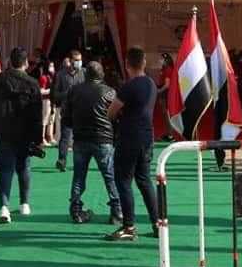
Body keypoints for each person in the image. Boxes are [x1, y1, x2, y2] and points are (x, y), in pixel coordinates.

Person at [0, 47, 44, 223]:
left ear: (10, 61)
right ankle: (24, 204)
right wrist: (38, 138)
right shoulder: (32, 83)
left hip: (3, 132)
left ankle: (4, 207)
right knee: (24, 168)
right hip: (25, 134)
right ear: (26, 63)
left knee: (6, 170)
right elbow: (37, 114)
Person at [105, 46, 160, 241]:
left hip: (129, 137)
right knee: (144, 181)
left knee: (123, 181)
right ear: (144, 63)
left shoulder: (129, 87)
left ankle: (129, 226)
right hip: (147, 136)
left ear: (127, 65)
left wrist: (120, 115)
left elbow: (111, 112)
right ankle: (157, 223)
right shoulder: (151, 84)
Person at [63, 61, 123, 224]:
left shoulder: (74, 90)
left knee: (79, 176)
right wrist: (115, 137)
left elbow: (66, 116)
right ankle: (117, 210)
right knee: (110, 175)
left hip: (81, 138)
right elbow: (117, 117)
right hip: (103, 138)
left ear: (85, 74)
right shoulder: (109, 91)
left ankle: (76, 210)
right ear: (101, 74)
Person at [51, 49, 85, 172]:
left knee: (81, 138)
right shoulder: (61, 75)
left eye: (80, 60)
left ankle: (80, 162)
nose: (79, 62)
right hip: (67, 110)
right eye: (76, 60)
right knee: (65, 136)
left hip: (81, 111)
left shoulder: (84, 73)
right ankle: (62, 160)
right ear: (70, 60)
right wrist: (68, 93)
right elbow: (54, 95)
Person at [153, 53, 175, 141]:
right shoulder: (164, 69)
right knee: (165, 115)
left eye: (162, 59)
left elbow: (167, 84)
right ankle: (169, 133)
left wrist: (159, 90)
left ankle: (171, 135)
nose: (160, 60)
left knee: (167, 115)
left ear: (166, 60)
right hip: (163, 92)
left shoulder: (168, 69)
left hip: (166, 93)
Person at [40, 60, 57, 145]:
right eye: (50, 66)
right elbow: (41, 91)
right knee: (45, 119)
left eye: (53, 66)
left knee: (51, 119)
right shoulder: (43, 77)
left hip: (52, 100)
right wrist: (50, 91)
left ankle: (50, 136)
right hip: (46, 100)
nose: (52, 68)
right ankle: (42, 138)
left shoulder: (53, 77)